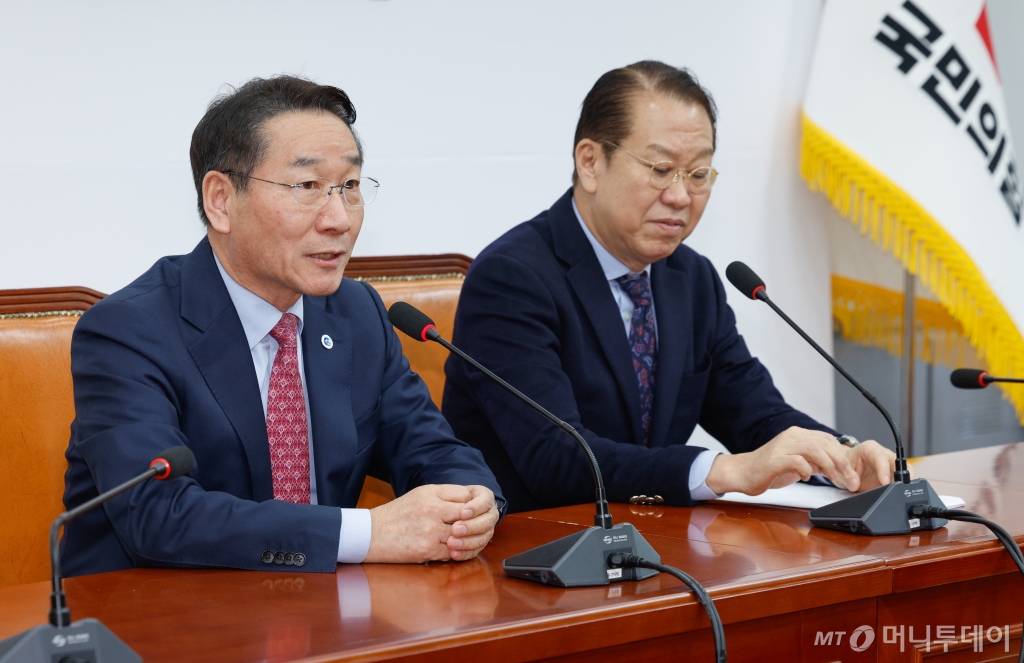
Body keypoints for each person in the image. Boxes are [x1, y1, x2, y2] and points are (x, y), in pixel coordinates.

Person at [61, 76, 503, 576]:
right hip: (156, 610)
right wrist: (367, 533)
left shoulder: (357, 313)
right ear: (221, 200)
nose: (339, 219)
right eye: (307, 187)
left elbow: (433, 451)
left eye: (350, 187)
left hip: (323, 608)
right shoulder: (128, 331)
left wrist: (470, 503)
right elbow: (157, 515)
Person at [442, 61, 896, 513]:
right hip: (533, 542)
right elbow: (556, 458)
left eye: (698, 174)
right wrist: (723, 471)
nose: (680, 196)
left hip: (652, 539)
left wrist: (843, 457)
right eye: (660, 169)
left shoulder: (690, 278)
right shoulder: (511, 279)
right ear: (591, 163)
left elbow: (755, 413)